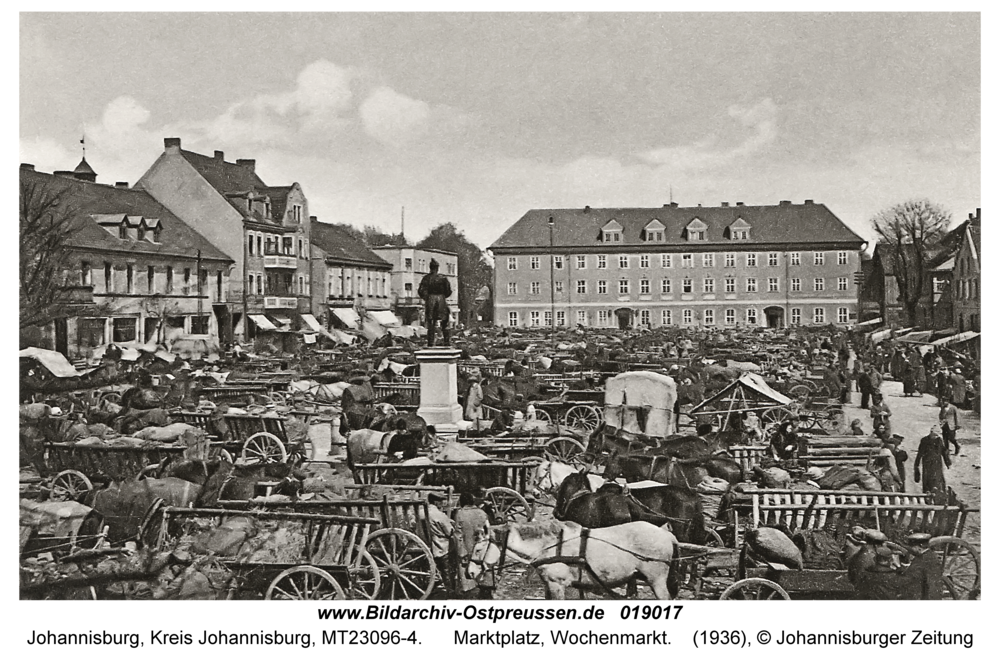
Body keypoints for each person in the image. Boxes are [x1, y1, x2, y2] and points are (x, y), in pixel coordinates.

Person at [451, 491, 492, 598]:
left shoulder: (460, 514)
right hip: (482, 548)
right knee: (483, 569)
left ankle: (470, 593)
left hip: (467, 548)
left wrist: (461, 552)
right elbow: (488, 532)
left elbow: (458, 536)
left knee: (467, 576)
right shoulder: (482, 513)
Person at [418, 258, 453, 347]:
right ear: (437, 268)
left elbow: (421, 291)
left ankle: (430, 342)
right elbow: (448, 291)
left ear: (430, 268)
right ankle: (446, 342)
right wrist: (442, 296)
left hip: (430, 299)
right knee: (445, 321)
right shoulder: (443, 278)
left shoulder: (426, 278)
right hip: (441, 299)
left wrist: (427, 298)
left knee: (431, 322)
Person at [426, 492, 456, 597]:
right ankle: (450, 589)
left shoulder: (420, 512)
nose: (442, 504)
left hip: (426, 545)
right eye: (441, 502)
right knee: (449, 566)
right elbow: (450, 532)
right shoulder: (439, 515)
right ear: (436, 502)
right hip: (440, 547)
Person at [913, 425, 951, 497]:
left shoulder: (939, 440)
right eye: (934, 435)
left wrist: (948, 462)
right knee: (928, 479)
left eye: (937, 436)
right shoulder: (924, 440)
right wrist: (916, 464)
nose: (935, 437)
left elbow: (943, 451)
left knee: (938, 479)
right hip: (927, 463)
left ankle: (939, 495)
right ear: (931, 433)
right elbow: (920, 453)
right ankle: (927, 495)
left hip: (937, 463)